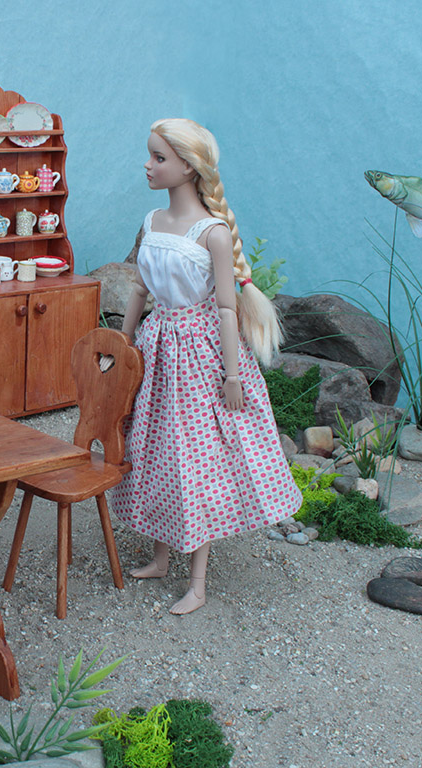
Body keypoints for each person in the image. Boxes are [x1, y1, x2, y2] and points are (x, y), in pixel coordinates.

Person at [110, 118, 301, 615]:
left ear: (189, 167)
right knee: (154, 449)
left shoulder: (212, 233)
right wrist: (122, 345)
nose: (148, 166)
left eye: (159, 158)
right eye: (150, 155)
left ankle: (197, 582)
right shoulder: (152, 221)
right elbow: (139, 289)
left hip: (197, 355)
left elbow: (226, 310)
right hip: (156, 348)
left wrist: (232, 376)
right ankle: (160, 556)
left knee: (196, 460)